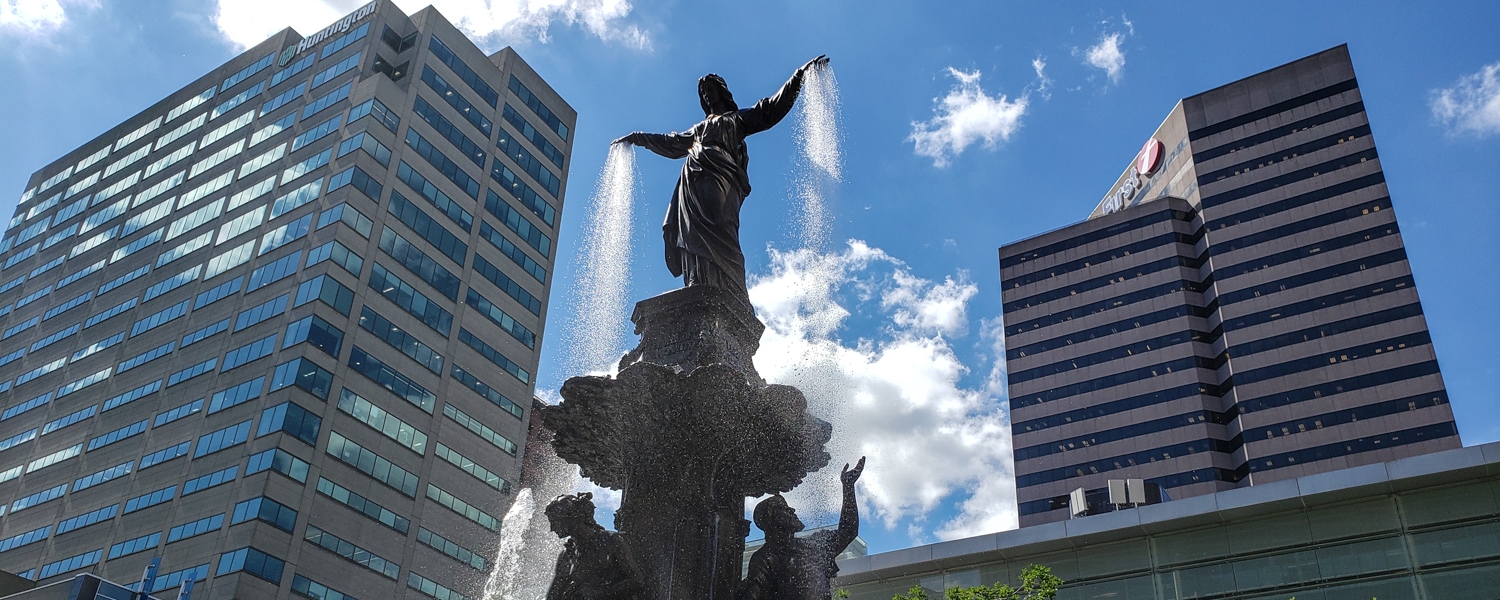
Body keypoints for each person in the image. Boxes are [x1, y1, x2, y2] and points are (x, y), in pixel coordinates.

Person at [615, 56, 830, 301]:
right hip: (693, 180)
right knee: (692, 231)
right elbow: (671, 142)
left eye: (711, 90)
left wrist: (799, 76)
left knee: (720, 226)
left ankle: (731, 288)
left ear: (721, 91)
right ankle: (697, 279)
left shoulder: (737, 119)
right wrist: (638, 137)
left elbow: (770, 110)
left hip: (722, 176)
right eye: (703, 92)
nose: (707, 95)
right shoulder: (697, 130)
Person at [740, 457, 865, 600]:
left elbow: (849, 531)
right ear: (772, 519)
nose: (792, 510)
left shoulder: (814, 547)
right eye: (783, 508)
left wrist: (848, 486)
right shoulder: (765, 558)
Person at [545, 492, 646, 600]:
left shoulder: (611, 541)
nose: (552, 528)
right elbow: (553, 596)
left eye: (555, 522)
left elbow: (637, 581)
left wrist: (600, 594)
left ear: (571, 517)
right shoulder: (567, 555)